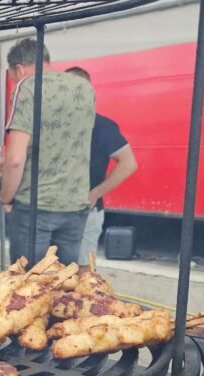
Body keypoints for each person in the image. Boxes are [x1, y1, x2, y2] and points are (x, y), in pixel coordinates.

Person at [0, 38, 95, 265]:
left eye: (13, 77)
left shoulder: (28, 86)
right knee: (64, 284)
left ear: (19, 69)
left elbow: (14, 159)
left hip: (35, 207)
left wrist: (5, 198)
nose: (15, 82)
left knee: (27, 287)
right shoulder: (84, 87)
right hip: (76, 204)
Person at [65, 66, 139, 266]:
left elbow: (129, 163)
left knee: (82, 273)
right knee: (53, 274)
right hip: (55, 211)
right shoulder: (56, 125)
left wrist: (96, 193)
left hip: (86, 212)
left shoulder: (101, 126)